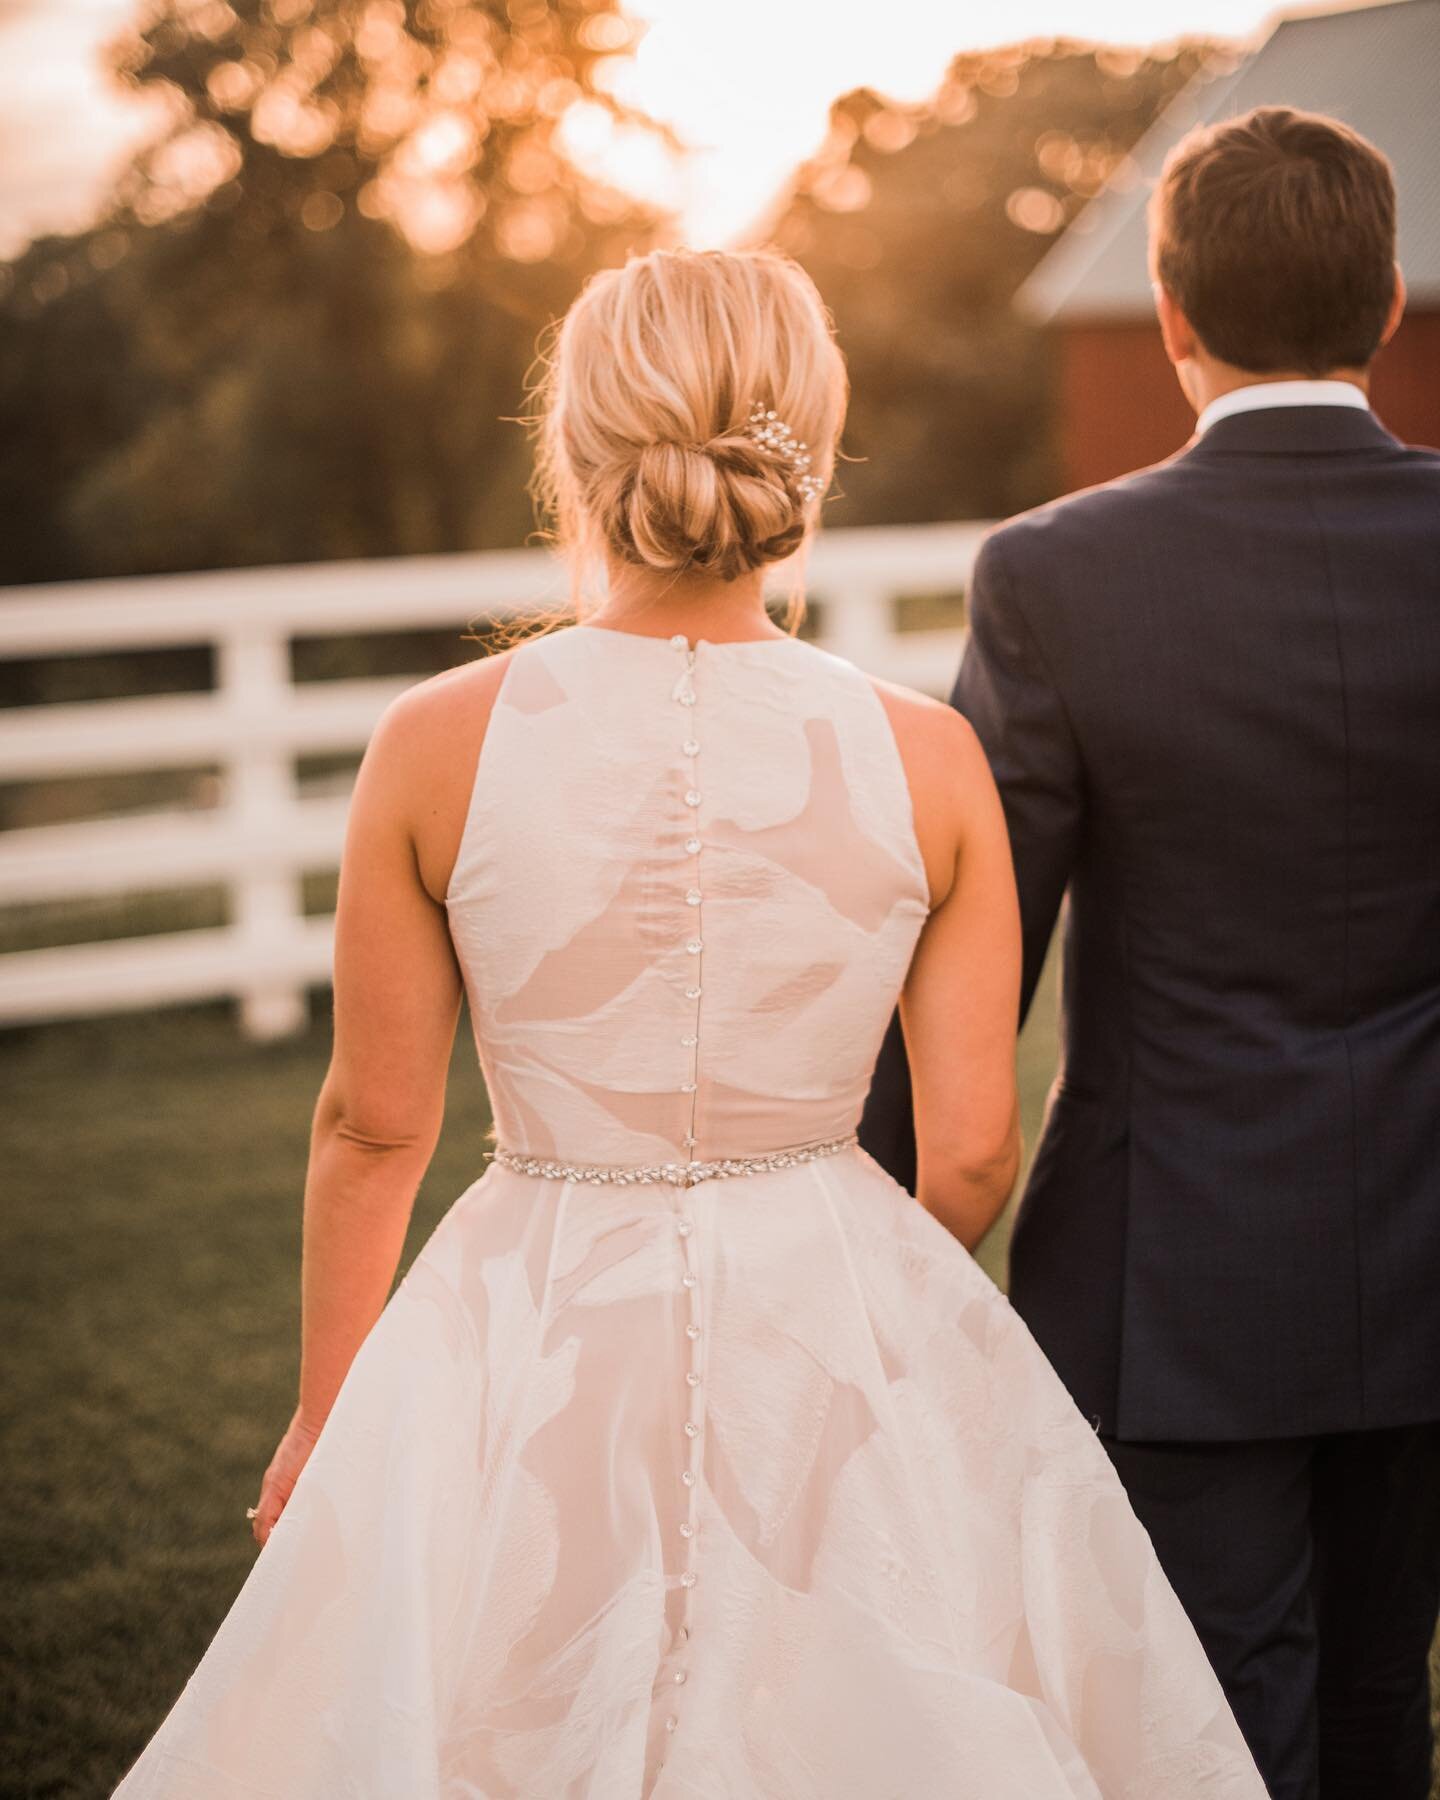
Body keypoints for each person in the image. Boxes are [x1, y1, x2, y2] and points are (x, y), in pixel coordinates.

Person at [111, 246, 1265, 1799]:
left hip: (528, 1306)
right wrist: (885, 1330)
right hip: (833, 1290)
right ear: (812, 436)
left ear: (572, 448)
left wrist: (330, 1423)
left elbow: (374, 1125)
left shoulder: (436, 743)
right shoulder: (925, 761)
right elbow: (977, 1148)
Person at [861, 105, 1440, 1800]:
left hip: (1173, 1270)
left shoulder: (1057, 575)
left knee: (1209, 1727)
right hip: (1429, 1246)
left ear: (1172, 316)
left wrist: (851, 1220)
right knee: (1381, 1708)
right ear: (1388, 302)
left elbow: (979, 946)